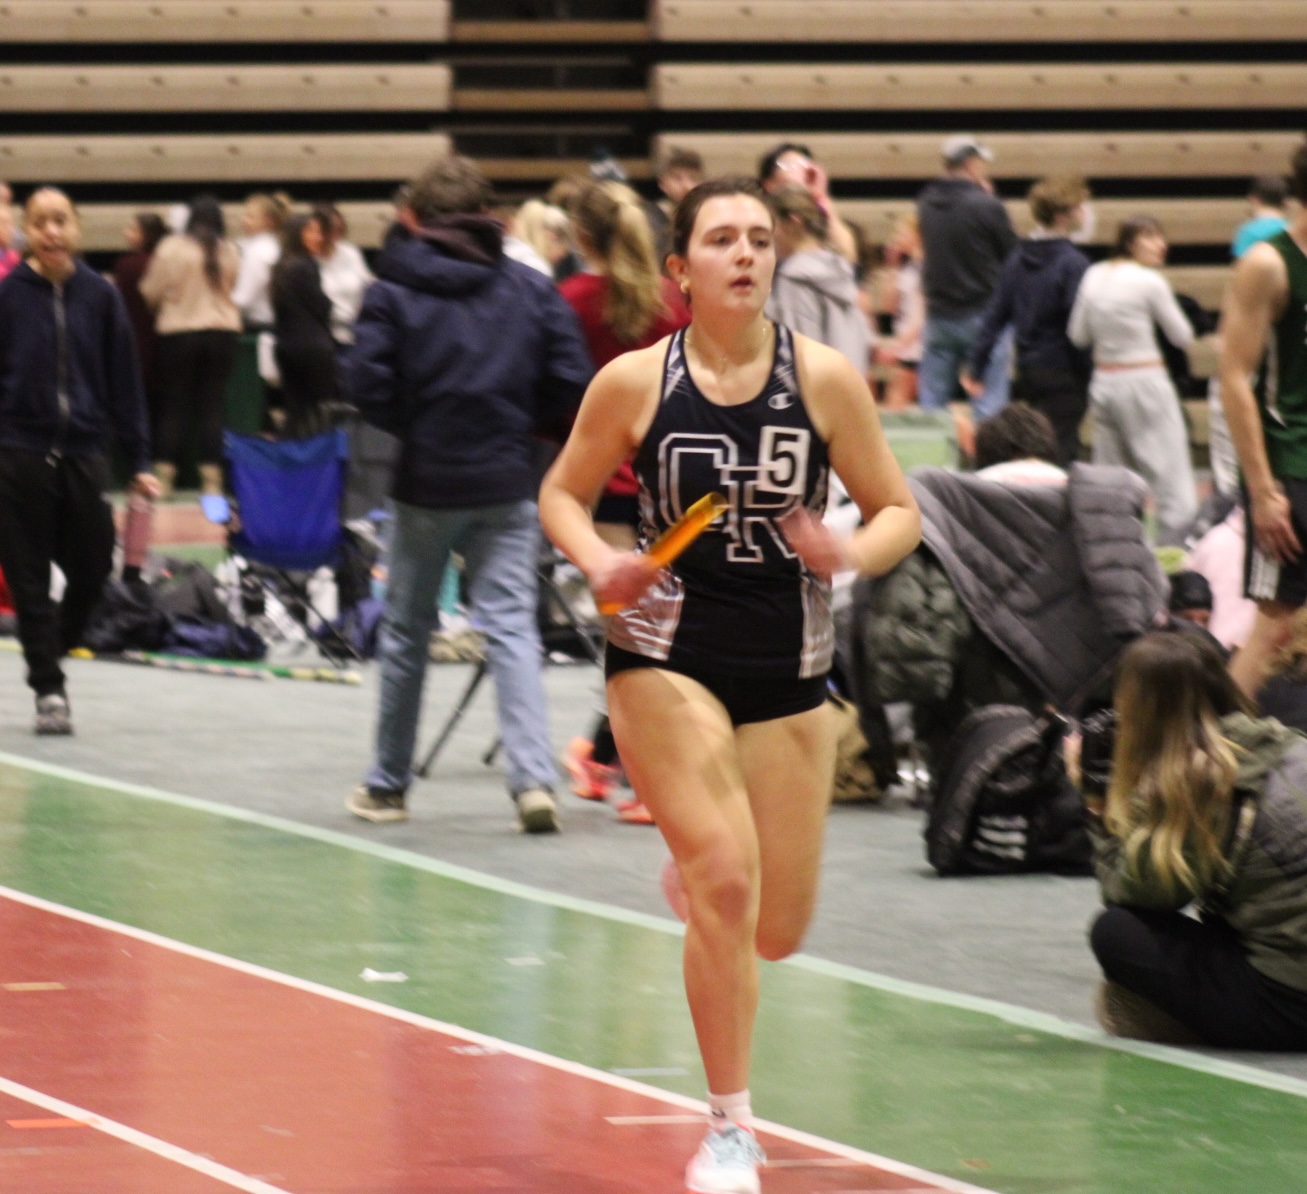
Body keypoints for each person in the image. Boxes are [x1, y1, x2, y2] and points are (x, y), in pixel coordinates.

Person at [539, 176, 920, 1194]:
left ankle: (702, 880)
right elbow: (561, 494)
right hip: (662, 656)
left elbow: (899, 511)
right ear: (679, 269)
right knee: (725, 875)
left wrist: (846, 547)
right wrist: (597, 563)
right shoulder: (631, 381)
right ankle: (727, 1130)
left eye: (759, 238)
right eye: (721, 239)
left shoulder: (827, 379)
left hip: (787, 667)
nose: (745, 254)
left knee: (777, 930)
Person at [346, 155, 592, 834]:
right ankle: (533, 782)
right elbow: (572, 380)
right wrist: (521, 428)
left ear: (417, 219)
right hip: (506, 480)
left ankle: (388, 787)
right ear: (490, 217)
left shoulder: (391, 289)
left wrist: (418, 427)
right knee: (511, 628)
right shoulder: (528, 287)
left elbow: (366, 386)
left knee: (405, 634)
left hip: (425, 484)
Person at [1083, 630, 1307, 1050]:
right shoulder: (1283, 742)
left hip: (1294, 1002)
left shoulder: (1202, 781)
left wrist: (1098, 808)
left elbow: (1135, 894)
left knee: (1116, 938)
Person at [0, 188, 158, 735]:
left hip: (86, 454)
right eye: (40, 222)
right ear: (27, 231)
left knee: (92, 571)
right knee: (29, 581)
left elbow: (125, 383)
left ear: (77, 229)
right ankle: (49, 689)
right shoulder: (8, 296)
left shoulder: (101, 296)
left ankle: (49, 654)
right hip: (18, 456)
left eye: (60, 221)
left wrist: (139, 459)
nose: (51, 232)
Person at [557, 179, 691, 820]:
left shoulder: (573, 301)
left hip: (612, 490)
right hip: (674, 486)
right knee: (655, 638)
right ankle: (619, 762)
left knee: (641, 638)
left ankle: (616, 760)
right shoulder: (675, 304)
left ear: (581, 238)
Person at [1220, 143, 1307, 699]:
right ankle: (1210, 765)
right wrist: (1262, 489)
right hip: (1290, 471)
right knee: (1275, 629)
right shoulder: (1268, 264)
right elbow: (1234, 378)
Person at [1068, 215, 1197, 543]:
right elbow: (1182, 335)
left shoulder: (1094, 274)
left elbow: (1077, 335)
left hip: (1104, 385)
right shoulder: (1149, 281)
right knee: (1173, 484)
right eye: (1151, 237)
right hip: (1145, 383)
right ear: (1130, 242)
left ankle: (1111, 557)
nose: (1161, 245)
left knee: (1111, 482)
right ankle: (1177, 563)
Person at [963, 176, 1092, 466]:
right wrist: (1087, 369)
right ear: (1063, 216)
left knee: (1035, 449)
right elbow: (1078, 325)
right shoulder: (1074, 263)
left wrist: (977, 366)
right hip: (1064, 371)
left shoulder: (1018, 257)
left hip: (1028, 370)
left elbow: (995, 316)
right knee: (1061, 451)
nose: (1086, 214)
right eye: (1080, 208)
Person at [139, 194, 241, 501]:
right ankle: (211, 482)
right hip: (223, 332)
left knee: (174, 406)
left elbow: (150, 290)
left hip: (180, 333)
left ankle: (164, 481)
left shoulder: (171, 248)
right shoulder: (229, 249)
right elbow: (232, 287)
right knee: (213, 406)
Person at [916, 135, 1018, 421]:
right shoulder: (986, 205)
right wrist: (988, 199)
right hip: (983, 314)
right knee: (989, 402)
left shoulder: (926, 203)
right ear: (971, 165)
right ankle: (985, 462)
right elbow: (1011, 254)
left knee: (932, 403)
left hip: (939, 315)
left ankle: (929, 462)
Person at [766, 185, 872, 376]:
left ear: (793, 222)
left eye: (772, 226)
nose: (768, 237)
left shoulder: (795, 278)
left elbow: (798, 355)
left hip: (816, 396)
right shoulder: (840, 269)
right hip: (850, 390)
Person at [271, 211, 337, 438]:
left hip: (285, 347)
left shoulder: (281, 266)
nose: (319, 237)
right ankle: (319, 467)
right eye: (312, 231)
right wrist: (329, 304)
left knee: (294, 412)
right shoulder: (305, 266)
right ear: (298, 235)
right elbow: (321, 307)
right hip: (312, 350)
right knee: (319, 414)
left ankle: (289, 465)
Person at [113, 213, 168, 442]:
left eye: (133, 230)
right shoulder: (162, 262)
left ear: (147, 235)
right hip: (160, 342)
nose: (127, 234)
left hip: (134, 339)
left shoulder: (127, 265)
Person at [758, 142, 858, 264]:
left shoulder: (821, 219)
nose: (801, 171)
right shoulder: (760, 220)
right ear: (769, 184)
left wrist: (821, 196)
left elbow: (847, 259)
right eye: (790, 165)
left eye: (804, 165)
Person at [874, 214, 925, 410]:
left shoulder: (924, 268)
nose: (896, 237)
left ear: (917, 235)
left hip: (917, 348)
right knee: (896, 403)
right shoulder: (908, 267)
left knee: (895, 404)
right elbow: (890, 306)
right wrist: (891, 266)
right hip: (907, 344)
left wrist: (898, 347)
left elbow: (921, 317)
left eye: (902, 232)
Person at [314, 203, 373, 348]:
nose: (336, 235)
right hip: (323, 336)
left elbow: (367, 282)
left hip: (353, 333)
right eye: (331, 230)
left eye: (339, 229)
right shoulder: (308, 261)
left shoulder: (350, 251)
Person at [231, 192, 288, 330]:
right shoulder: (274, 245)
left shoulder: (257, 251)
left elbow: (244, 298)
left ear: (268, 221)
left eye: (250, 217)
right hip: (270, 321)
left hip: (259, 324)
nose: (244, 221)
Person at [647, 146, 704, 268]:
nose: (687, 186)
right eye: (677, 178)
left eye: (693, 178)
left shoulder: (706, 217)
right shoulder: (648, 219)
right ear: (662, 183)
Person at [1233, 174, 1290, 261]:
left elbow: (1242, 267)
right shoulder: (1291, 230)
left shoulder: (1248, 231)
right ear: (1285, 203)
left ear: (1254, 199)